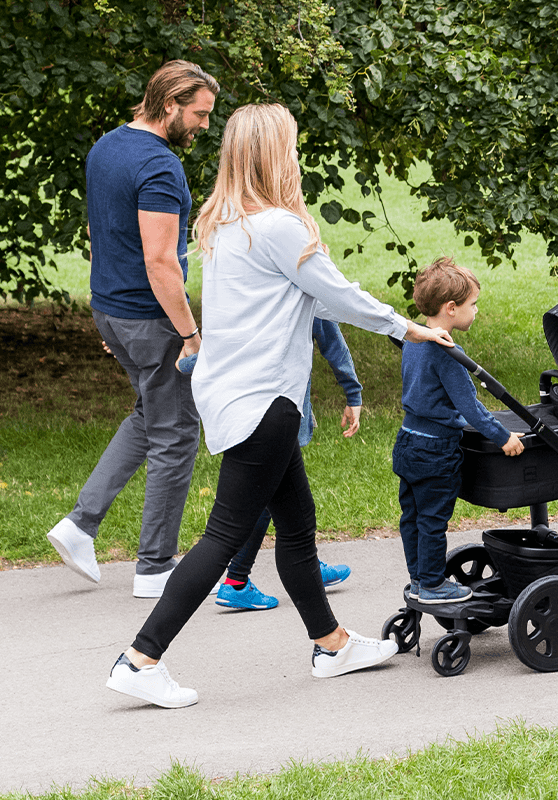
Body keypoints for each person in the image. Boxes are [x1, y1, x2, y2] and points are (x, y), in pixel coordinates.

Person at [106, 102, 455, 709]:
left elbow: (303, 301)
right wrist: (407, 328)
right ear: (274, 154)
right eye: (290, 144)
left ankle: (332, 644)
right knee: (222, 538)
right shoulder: (278, 228)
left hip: (236, 392)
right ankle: (141, 657)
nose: (294, 153)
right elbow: (336, 295)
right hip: (265, 400)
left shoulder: (224, 223)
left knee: (296, 527)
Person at [46, 60, 220, 598]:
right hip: (150, 317)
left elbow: (100, 235)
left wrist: (109, 312)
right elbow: (161, 262)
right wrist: (190, 334)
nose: (204, 126)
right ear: (170, 104)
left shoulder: (107, 146)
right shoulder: (160, 166)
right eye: (199, 114)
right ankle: (155, 567)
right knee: (176, 435)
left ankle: (80, 525)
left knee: (150, 414)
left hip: (114, 311)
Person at [392, 258, 525, 604]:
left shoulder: (413, 340)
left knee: (413, 517)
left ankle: (419, 579)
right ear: (451, 309)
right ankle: (434, 583)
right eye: (473, 305)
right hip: (436, 451)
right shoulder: (448, 352)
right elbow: (472, 409)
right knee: (433, 519)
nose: (476, 311)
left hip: (407, 442)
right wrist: (504, 438)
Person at [216, 317, 359, 611]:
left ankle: (299, 564)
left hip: (243, 408)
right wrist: (352, 391)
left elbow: (221, 346)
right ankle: (237, 580)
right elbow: (332, 339)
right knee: (272, 500)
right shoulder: (300, 282)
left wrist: (185, 356)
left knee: (276, 496)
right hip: (280, 411)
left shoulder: (247, 285)